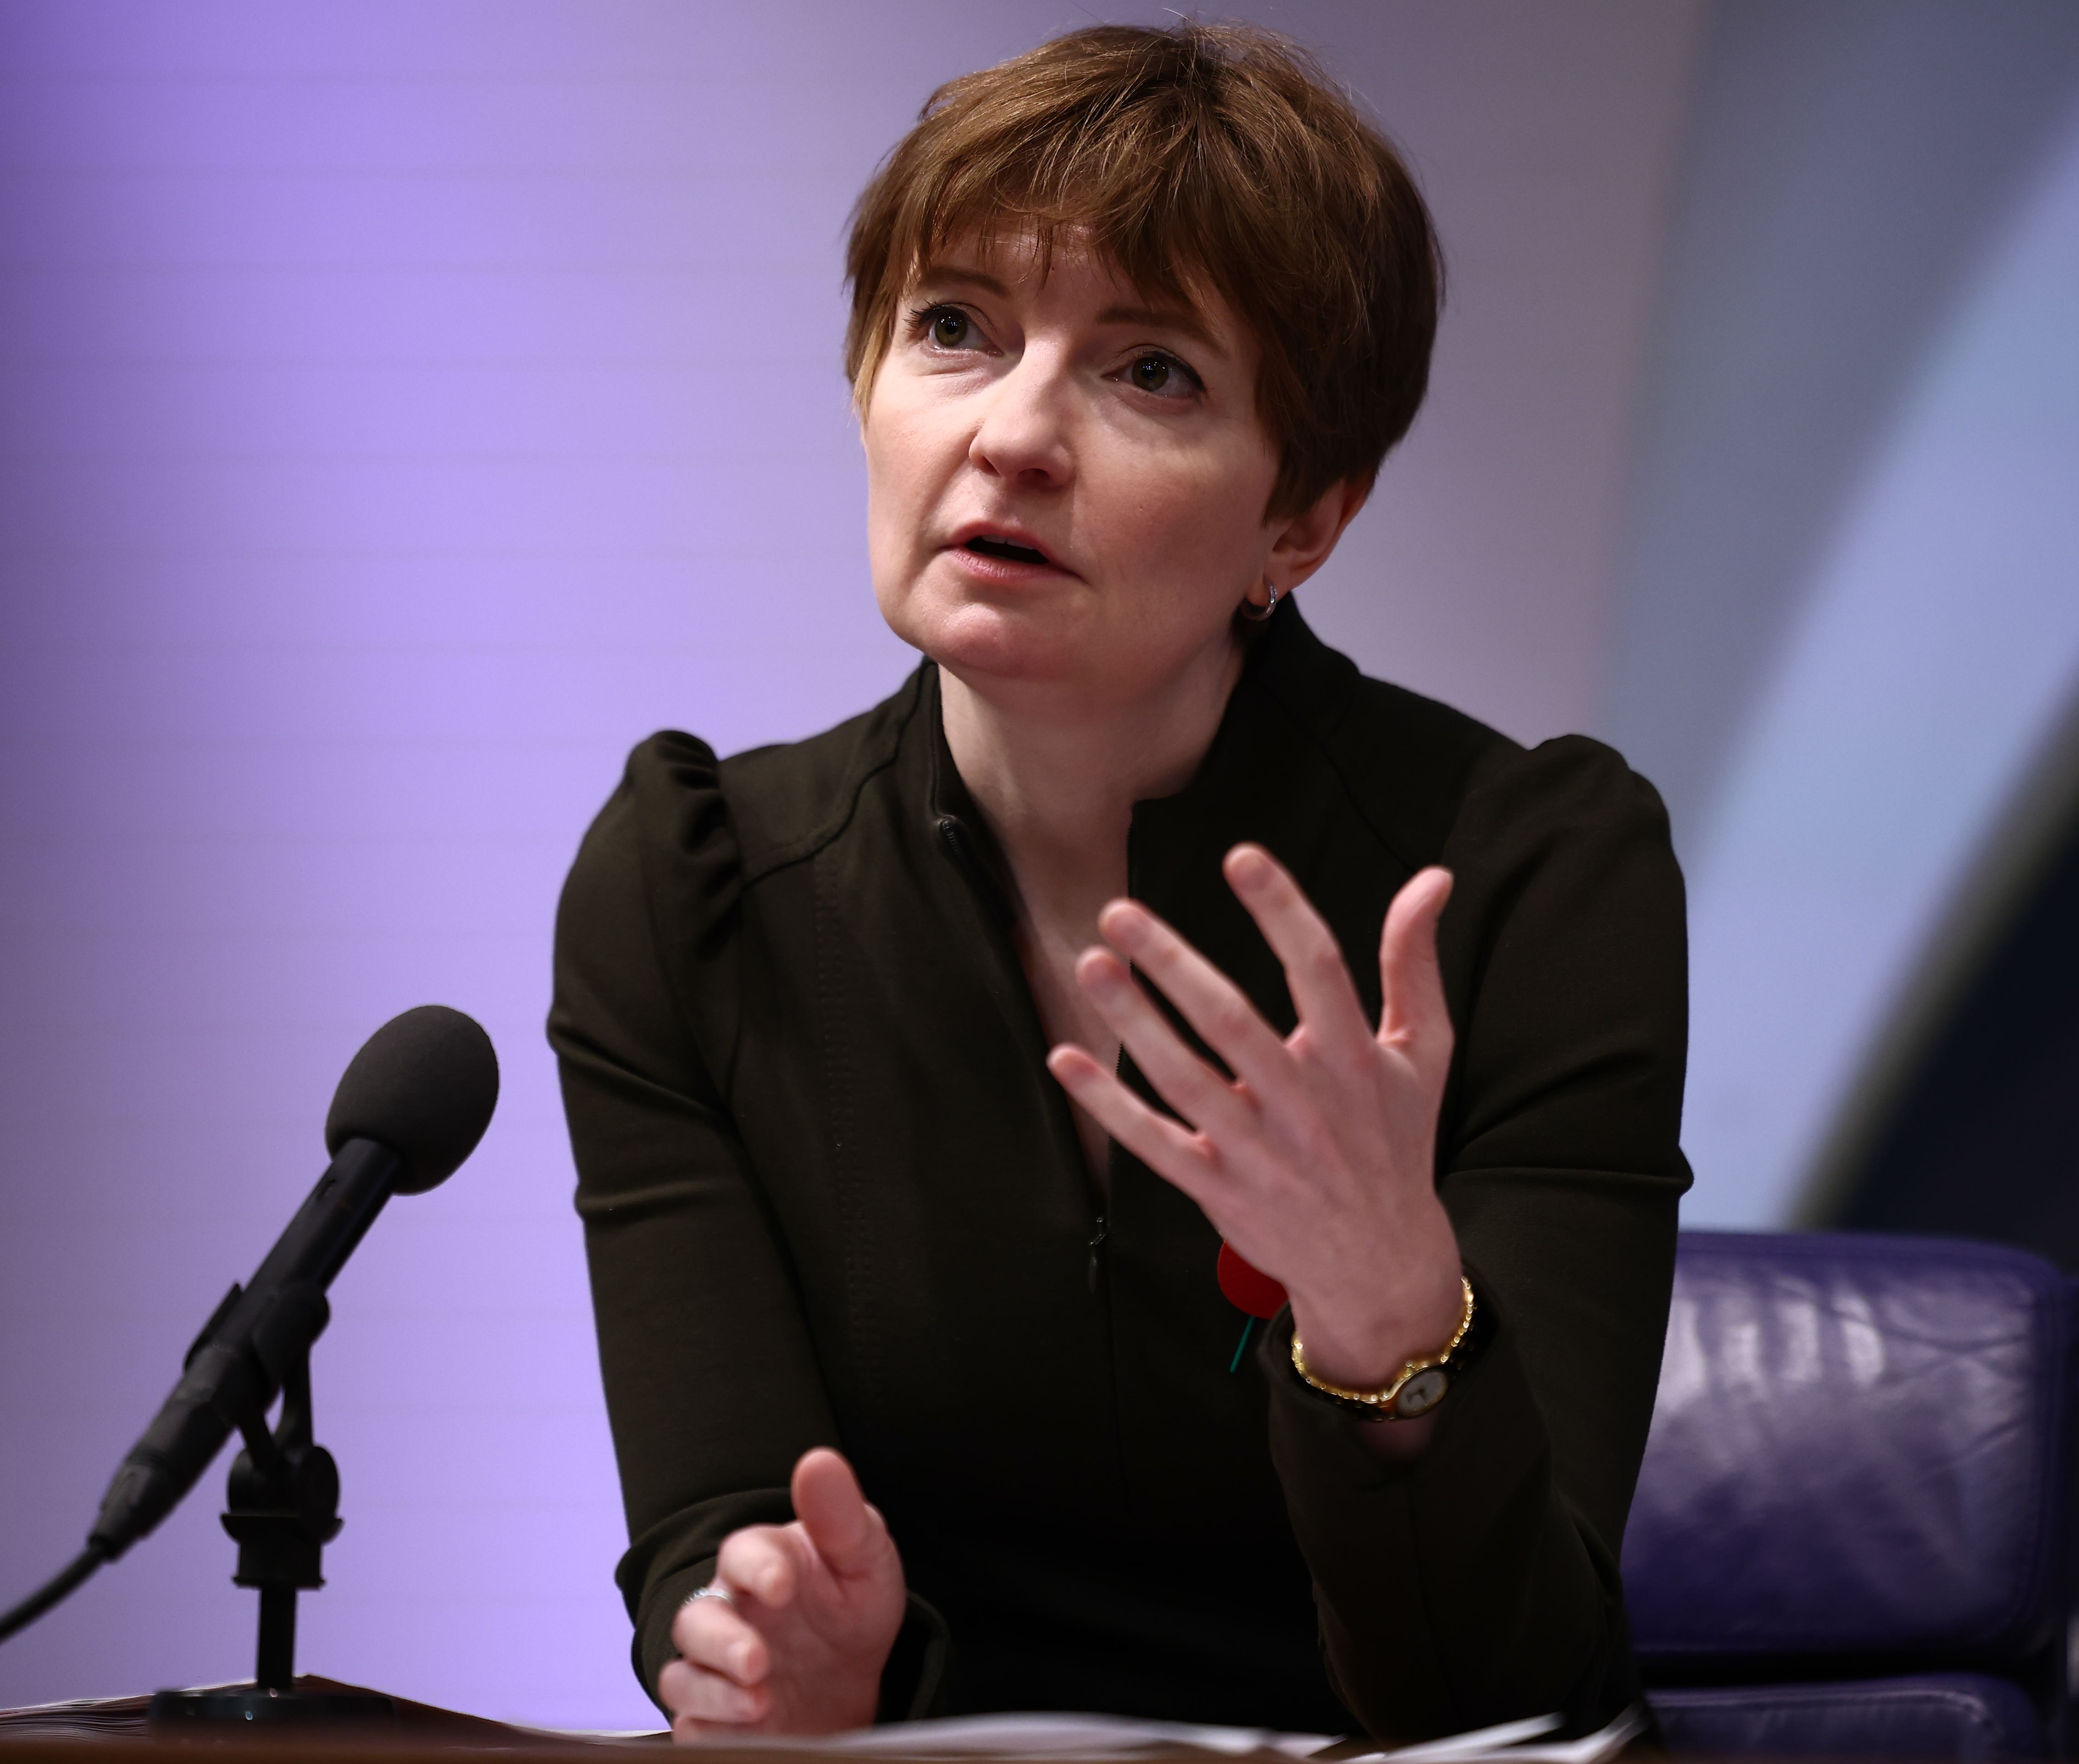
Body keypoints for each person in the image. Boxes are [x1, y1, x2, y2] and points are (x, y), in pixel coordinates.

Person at [549, 21, 1689, 1747]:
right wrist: (781, 1657)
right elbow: (726, 1537)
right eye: (954, 329)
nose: (1011, 434)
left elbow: (1519, 1698)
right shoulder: (699, 894)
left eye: (1149, 371)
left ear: (1302, 520)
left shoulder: (1523, 883)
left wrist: (1388, 1317)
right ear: (863, 381)